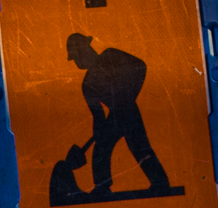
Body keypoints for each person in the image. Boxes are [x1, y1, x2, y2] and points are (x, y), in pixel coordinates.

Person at [65, 33, 172, 196]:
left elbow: (140, 66)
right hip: (115, 117)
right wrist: (99, 132)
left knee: (140, 148)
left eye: (77, 56)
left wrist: (129, 97)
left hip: (129, 112)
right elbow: (98, 115)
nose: (77, 62)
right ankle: (102, 186)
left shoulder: (110, 56)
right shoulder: (87, 85)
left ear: (86, 49)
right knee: (101, 149)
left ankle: (160, 183)